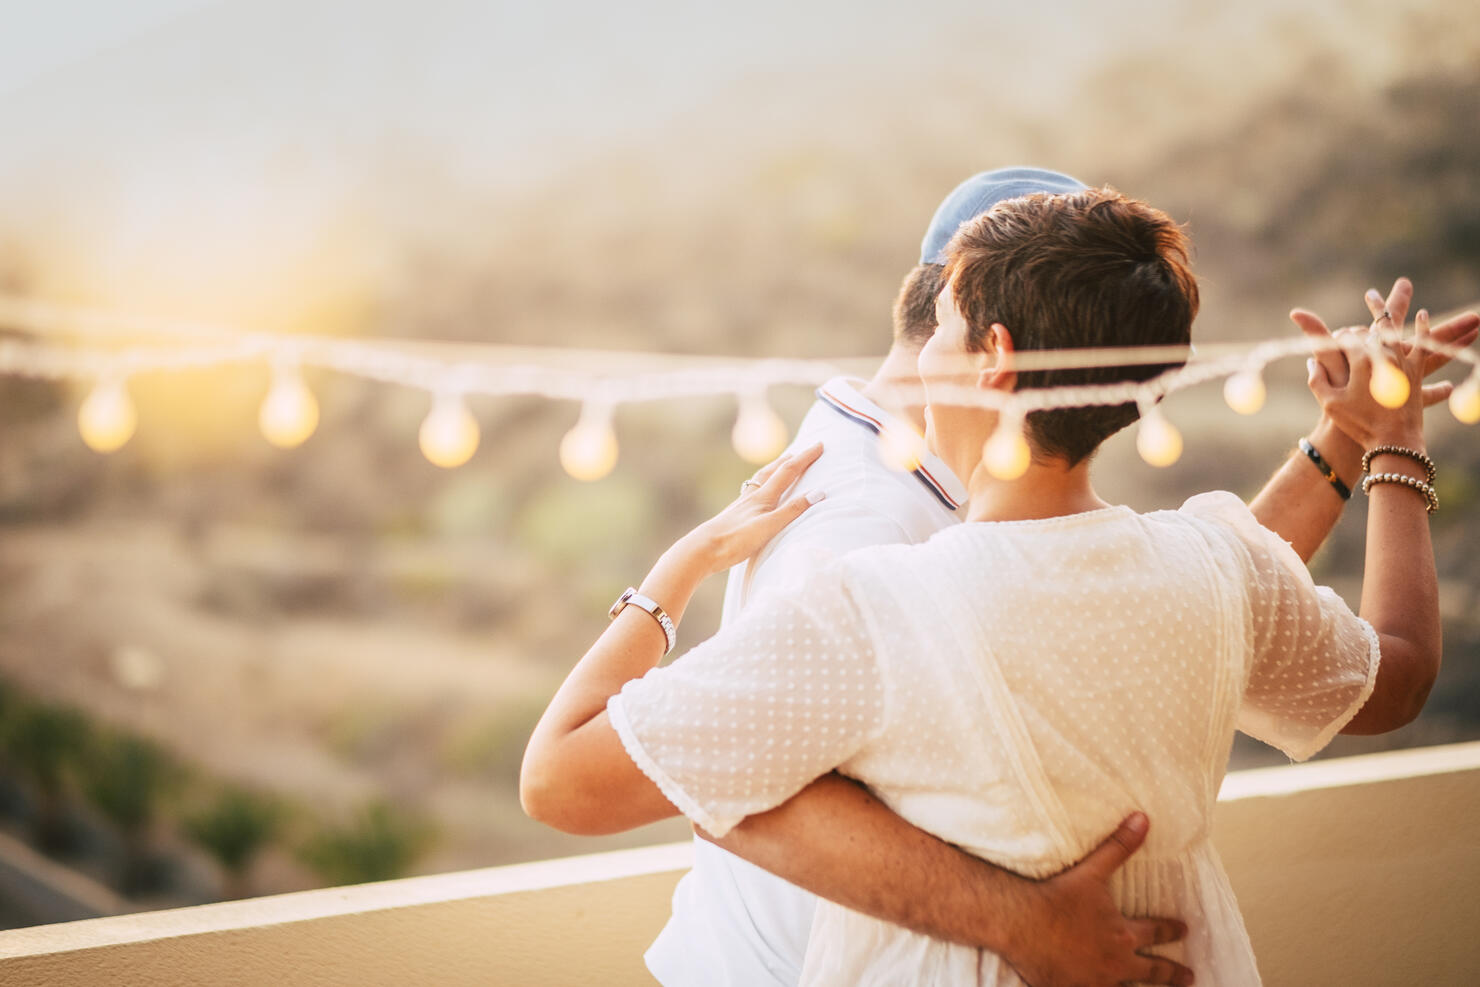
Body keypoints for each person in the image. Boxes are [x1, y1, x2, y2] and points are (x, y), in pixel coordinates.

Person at [522, 182, 1476, 984]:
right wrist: (1388, 441)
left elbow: (562, 780)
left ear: (997, 355)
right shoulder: (1212, 565)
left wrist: (673, 572)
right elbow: (1398, 676)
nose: (920, 361)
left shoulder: (879, 610)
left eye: (939, 327)